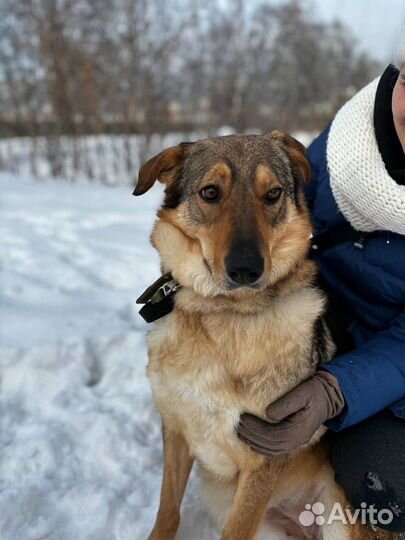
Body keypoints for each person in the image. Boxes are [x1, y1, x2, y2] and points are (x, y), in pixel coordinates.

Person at [238, 56, 405, 533]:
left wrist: (338, 390)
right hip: (311, 329)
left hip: (384, 357)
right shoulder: (349, 138)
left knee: (388, 488)